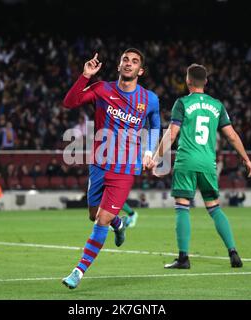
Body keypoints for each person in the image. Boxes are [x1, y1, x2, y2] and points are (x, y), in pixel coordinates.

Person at [61, 49, 160, 289]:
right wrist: (85, 76)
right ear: (118, 65)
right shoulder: (102, 89)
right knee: (94, 215)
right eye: (125, 60)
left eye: (134, 61)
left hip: (125, 168)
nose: (129, 64)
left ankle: (78, 271)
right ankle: (120, 223)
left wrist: (149, 152)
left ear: (141, 71)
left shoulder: (150, 99)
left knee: (100, 221)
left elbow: (155, 123)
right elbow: (69, 103)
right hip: (99, 164)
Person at [150, 63, 251, 269]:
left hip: (187, 161)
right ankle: (233, 252)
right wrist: (246, 159)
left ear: (188, 81)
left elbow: (171, 134)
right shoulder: (217, 105)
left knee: (182, 207)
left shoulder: (182, 103)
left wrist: (156, 157)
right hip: (208, 163)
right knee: (214, 207)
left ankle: (183, 258)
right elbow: (232, 136)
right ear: (205, 82)